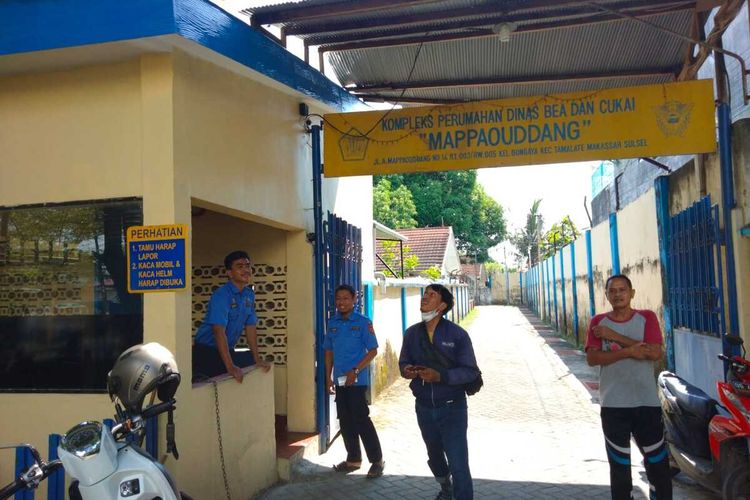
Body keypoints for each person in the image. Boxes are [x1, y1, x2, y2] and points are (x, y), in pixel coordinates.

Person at [585, 274, 672, 500]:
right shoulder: (597, 322)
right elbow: (593, 359)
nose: (617, 294)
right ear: (606, 295)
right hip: (614, 405)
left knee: (658, 464)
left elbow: (654, 352)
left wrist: (613, 337)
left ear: (631, 293)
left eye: (622, 290)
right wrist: (630, 352)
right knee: (619, 467)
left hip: (646, 403)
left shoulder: (647, 318)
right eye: (612, 291)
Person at [399, 284, 479, 500]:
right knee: (434, 457)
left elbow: (470, 371)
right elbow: (403, 362)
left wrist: (441, 376)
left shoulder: (458, 335)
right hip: (424, 407)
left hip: (453, 407)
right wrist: (407, 371)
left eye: (431, 295)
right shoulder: (412, 333)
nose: (424, 298)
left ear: (442, 305)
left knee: (458, 462)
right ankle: (446, 487)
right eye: (424, 294)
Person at [323, 284, 385, 479]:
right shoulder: (332, 323)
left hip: (357, 381)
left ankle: (377, 461)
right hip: (340, 381)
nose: (341, 302)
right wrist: (328, 377)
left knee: (361, 420)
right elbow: (328, 352)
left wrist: (355, 370)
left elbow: (373, 350)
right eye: (338, 299)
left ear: (354, 299)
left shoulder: (363, 322)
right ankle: (353, 459)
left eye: (345, 298)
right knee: (346, 421)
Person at [192, 250, 270, 382]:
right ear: (229, 273)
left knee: (249, 361)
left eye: (247, 266)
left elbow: (250, 327)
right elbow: (218, 331)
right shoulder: (221, 295)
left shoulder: (248, 295)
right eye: (240, 267)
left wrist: (257, 359)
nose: (246, 270)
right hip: (206, 351)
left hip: (227, 349)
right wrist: (230, 366)